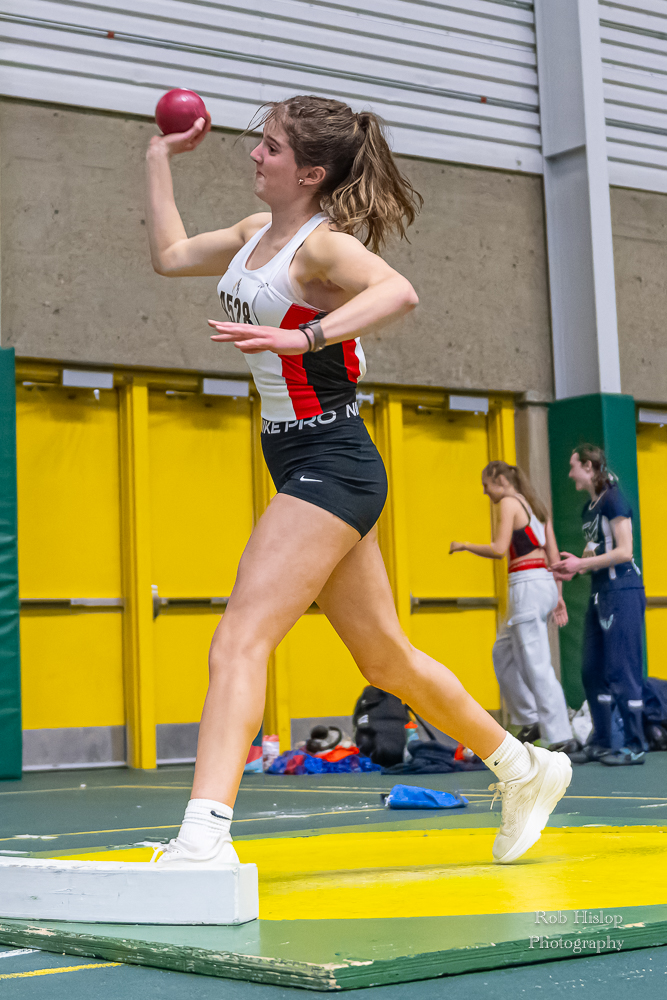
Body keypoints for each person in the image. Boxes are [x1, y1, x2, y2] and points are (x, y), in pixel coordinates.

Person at [144, 94, 571, 869]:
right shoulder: (251, 235)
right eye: (260, 141)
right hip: (294, 455)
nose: (255, 154)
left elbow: (397, 292)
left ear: (310, 173)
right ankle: (523, 767)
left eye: (272, 147)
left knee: (241, 636)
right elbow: (169, 256)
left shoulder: (323, 250)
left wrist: (303, 335)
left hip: (331, 458)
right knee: (385, 660)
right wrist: (156, 158)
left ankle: (203, 837)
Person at [449, 461, 576, 753]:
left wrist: (465, 545)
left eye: (486, 485)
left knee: (536, 663)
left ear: (499, 480)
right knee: (503, 652)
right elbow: (554, 556)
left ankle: (560, 734)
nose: (485, 492)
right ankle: (530, 718)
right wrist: (558, 595)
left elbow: (498, 548)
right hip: (542, 583)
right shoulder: (537, 506)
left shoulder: (509, 503)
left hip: (527, 585)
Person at [552, 446, 647, 766]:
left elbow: (624, 551)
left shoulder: (613, 499)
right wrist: (575, 567)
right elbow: (595, 553)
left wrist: (581, 563)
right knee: (591, 670)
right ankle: (602, 740)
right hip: (599, 593)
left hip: (622, 591)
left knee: (622, 670)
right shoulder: (589, 509)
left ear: (589, 467)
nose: (570, 474)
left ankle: (635, 744)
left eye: (573, 467)